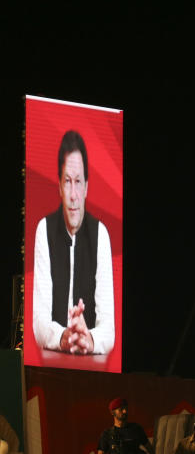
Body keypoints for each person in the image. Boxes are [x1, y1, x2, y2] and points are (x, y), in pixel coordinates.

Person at [32, 129, 114, 355]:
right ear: (59, 185)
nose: (73, 194)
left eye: (78, 182)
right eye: (67, 181)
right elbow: (38, 322)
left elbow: (109, 329)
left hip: (93, 370)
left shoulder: (101, 234)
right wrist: (63, 336)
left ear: (87, 187)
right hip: (50, 363)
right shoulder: (44, 230)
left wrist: (88, 338)